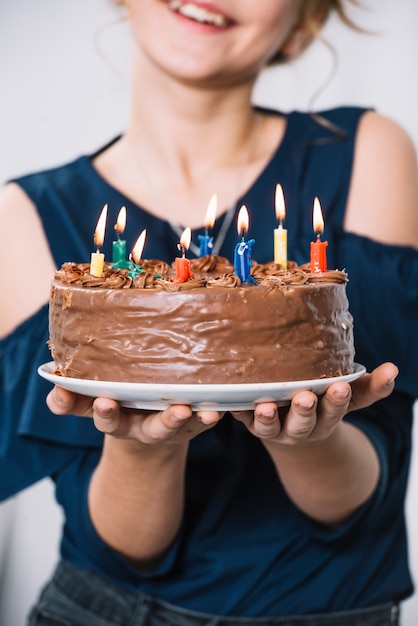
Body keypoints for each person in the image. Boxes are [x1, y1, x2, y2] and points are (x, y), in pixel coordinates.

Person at [1, 0, 418, 624]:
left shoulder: (365, 154)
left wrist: (308, 437)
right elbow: (127, 550)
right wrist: (142, 448)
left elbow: (358, 506)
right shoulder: (20, 219)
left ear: (302, 17)